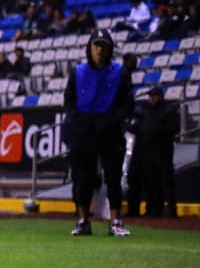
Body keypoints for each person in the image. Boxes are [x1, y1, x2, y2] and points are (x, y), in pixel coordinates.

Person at [63, 28, 133, 236]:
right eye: (96, 45)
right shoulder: (77, 72)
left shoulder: (120, 72)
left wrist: (113, 120)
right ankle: (83, 220)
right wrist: (78, 121)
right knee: (81, 179)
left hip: (110, 131)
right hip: (83, 131)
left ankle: (115, 220)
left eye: (104, 46)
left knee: (113, 178)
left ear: (110, 49)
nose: (100, 50)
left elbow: (127, 104)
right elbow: (69, 101)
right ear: (89, 48)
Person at [131, 86, 180, 217]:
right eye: (150, 96)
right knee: (150, 181)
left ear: (161, 96)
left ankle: (171, 209)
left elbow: (174, 129)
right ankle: (153, 209)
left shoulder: (169, 110)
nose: (151, 98)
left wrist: (155, 129)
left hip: (163, 150)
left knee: (166, 181)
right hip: (147, 151)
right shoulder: (147, 110)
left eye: (154, 96)